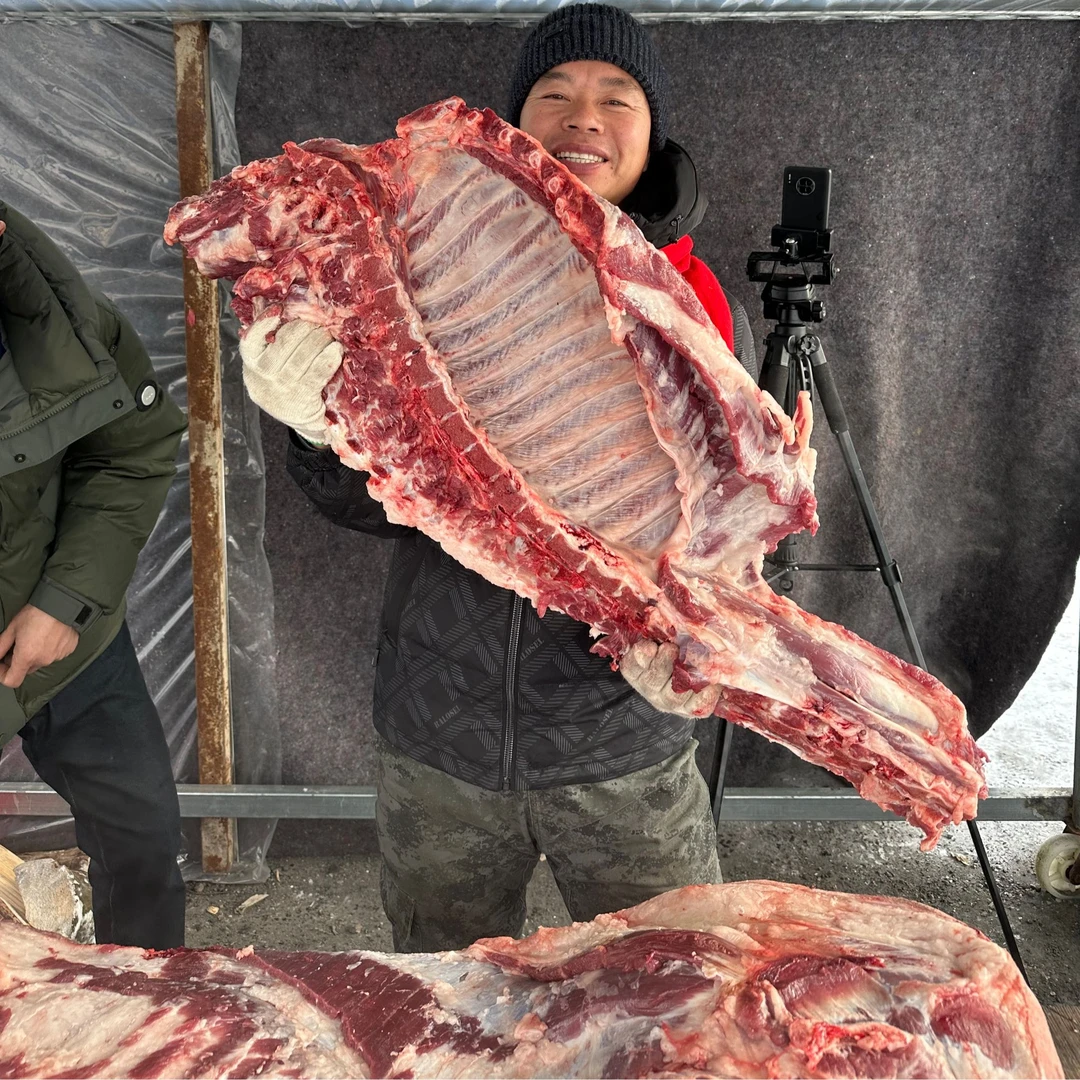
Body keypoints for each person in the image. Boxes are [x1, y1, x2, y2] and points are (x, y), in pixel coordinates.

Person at [241, 4, 757, 952]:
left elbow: (749, 524)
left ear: (654, 131)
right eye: (553, 94)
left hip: (621, 745)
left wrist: (708, 649)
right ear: (516, 126)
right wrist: (320, 429)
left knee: (673, 997)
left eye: (616, 96)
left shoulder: (693, 307)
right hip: (443, 740)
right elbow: (358, 499)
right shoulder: (432, 273)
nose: (583, 116)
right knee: (446, 1007)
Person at [0, 203, 188, 949]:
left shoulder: (56, 314)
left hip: (62, 631)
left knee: (142, 833)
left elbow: (128, 451)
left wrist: (64, 602)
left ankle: (146, 1028)